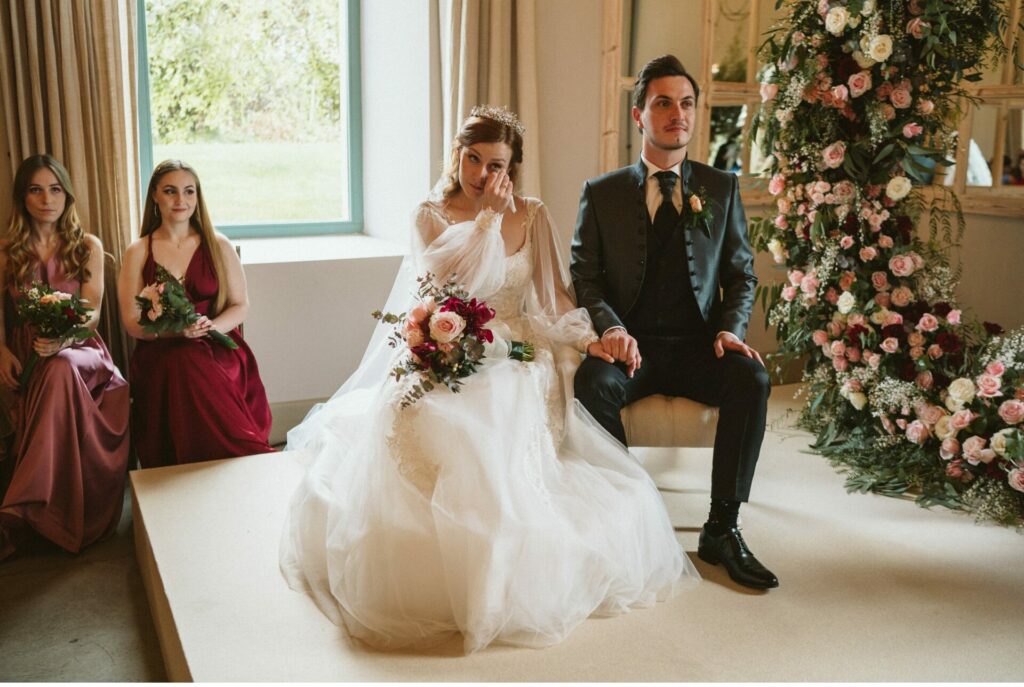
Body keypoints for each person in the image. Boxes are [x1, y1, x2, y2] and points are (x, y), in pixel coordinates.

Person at [280, 106, 698, 653]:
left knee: (503, 397)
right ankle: (457, 537)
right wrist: (485, 221)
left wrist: (589, 339)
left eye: (494, 164)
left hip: (521, 350)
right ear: (457, 156)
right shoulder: (430, 213)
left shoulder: (533, 213)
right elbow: (452, 285)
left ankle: (495, 545)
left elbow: (550, 299)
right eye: (471, 159)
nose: (480, 174)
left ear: (513, 169)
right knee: (432, 410)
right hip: (452, 337)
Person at [571, 55, 777, 590]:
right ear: (639, 114)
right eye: (663, 103)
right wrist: (611, 329)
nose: (676, 114)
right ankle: (625, 524)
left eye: (685, 103)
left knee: (751, 378)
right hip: (631, 350)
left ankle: (722, 528)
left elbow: (741, 275)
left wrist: (731, 330)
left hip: (697, 348)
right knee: (592, 382)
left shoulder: (721, 188)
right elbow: (585, 279)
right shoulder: (602, 193)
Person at [0, 154, 130, 561]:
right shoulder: (6, 251)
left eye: (55, 189)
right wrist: (0, 351)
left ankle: (19, 507)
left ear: (67, 195)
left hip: (83, 352)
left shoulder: (87, 246)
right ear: (23, 197)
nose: (46, 199)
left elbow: (91, 313)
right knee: (53, 370)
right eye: (36, 190)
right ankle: (43, 507)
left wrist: (63, 341)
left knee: (60, 367)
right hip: (28, 354)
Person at [117, 160, 273, 468]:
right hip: (160, 347)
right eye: (170, 191)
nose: (181, 200)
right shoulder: (138, 251)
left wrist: (209, 326)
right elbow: (131, 322)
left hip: (215, 344)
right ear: (154, 197)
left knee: (190, 360)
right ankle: (218, 458)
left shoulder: (218, 244)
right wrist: (174, 333)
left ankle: (230, 460)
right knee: (180, 360)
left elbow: (240, 305)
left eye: (189, 192)